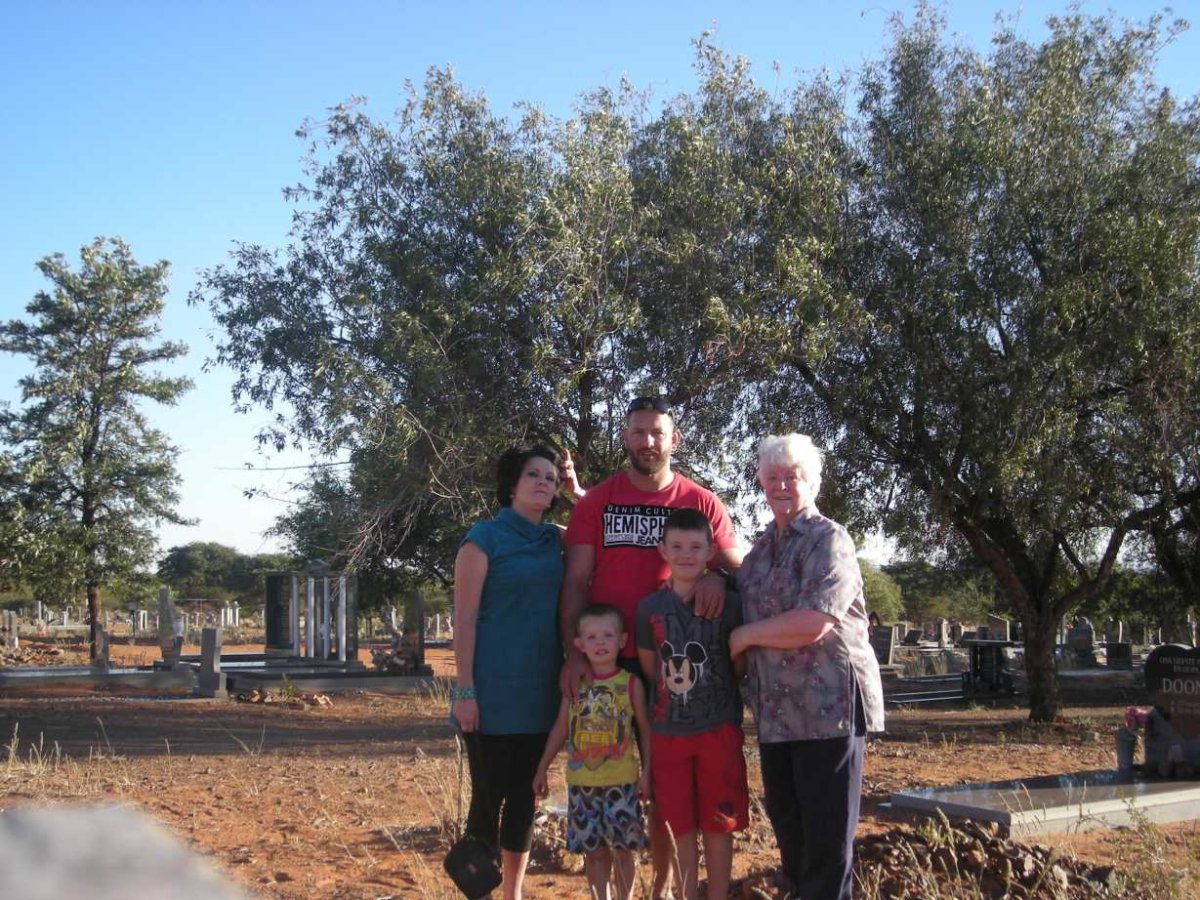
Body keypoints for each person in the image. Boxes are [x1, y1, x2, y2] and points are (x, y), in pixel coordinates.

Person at [730, 433, 885, 900]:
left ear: (812, 482)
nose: (780, 485)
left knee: (826, 841)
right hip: (777, 713)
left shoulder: (828, 539)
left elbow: (814, 621)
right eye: (771, 477)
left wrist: (744, 637)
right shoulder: (759, 550)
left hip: (828, 709)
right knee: (792, 836)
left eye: (791, 477)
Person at [451, 446, 565, 900]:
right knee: (487, 799)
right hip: (491, 691)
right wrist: (465, 690)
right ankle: (477, 890)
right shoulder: (484, 538)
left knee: (525, 798)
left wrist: (580, 493)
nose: (543, 482)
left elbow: (601, 533)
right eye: (533, 474)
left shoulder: (556, 539)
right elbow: (464, 618)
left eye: (551, 478)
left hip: (540, 691)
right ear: (512, 484)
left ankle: (512, 893)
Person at [635, 508, 747, 900]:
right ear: (662, 549)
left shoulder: (731, 604)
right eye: (677, 546)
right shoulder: (649, 609)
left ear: (710, 550)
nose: (686, 554)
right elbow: (652, 669)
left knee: (719, 823)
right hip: (669, 733)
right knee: (678, 826)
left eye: (696, 546)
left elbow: (737, 665)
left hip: (719, 730)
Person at [533, 604, 651, 900]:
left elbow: (646, 731)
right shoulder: (576, 685)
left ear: (623, 640)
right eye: (592, 637)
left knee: (625, 850)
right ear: (579, 644)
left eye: (608, 635)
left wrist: (648, 772)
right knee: (594, 852)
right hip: (582, 783)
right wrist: (542, 767)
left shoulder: (630, 684)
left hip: (622, 782)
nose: (600, 643)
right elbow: (561, 727)